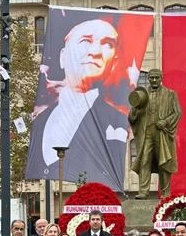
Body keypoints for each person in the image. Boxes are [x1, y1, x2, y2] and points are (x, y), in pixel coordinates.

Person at [26, 19, 128, 190]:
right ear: (63, 57)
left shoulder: (117, 120)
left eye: (107, 44)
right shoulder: (40, 120)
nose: (95, 52)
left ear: (114, 63)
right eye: (85, 41)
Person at [128, 68, 182, 198]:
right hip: (146, 133)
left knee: (164, 162)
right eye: (151, 77)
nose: (154, 80)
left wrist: (165, 121)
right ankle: (143, 191)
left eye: (156, 77)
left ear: (161, 78)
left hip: (161, 133)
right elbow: (132, 116)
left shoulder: (170, 94)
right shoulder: (142, 95)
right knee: (144, 161)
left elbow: (177, 113)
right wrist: (135, 111)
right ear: (148, 79)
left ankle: (165, 193)